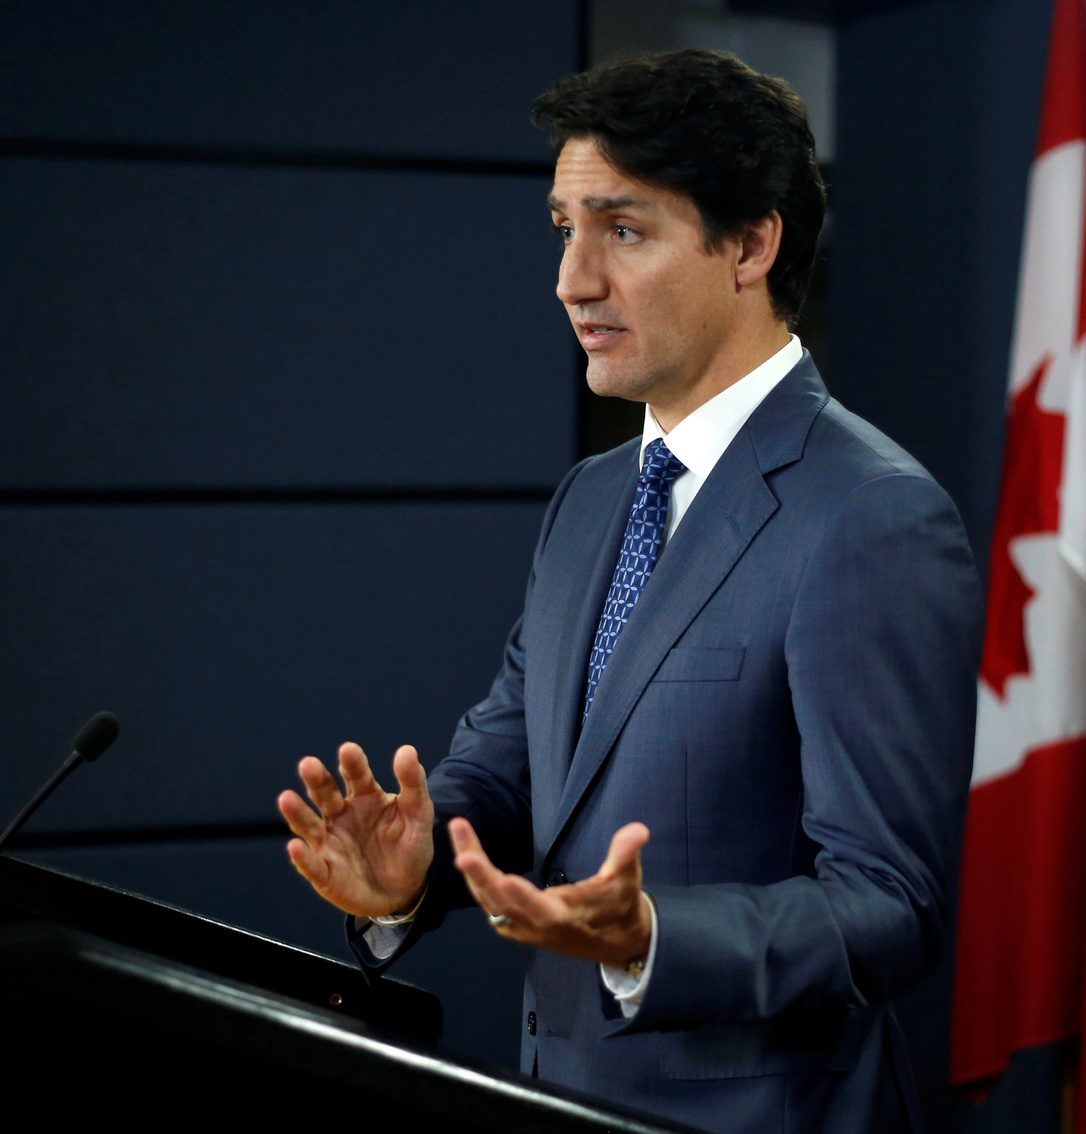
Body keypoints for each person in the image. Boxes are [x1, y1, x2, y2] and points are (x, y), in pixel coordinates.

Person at [276, 48, 981, 1134]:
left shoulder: (872, 516)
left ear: (750, 243)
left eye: (625, 230)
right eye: (566, 230)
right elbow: (508, 767)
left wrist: (653, 937)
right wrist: (418, 863)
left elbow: (892, 904)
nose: (573, 280)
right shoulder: (592, 499)